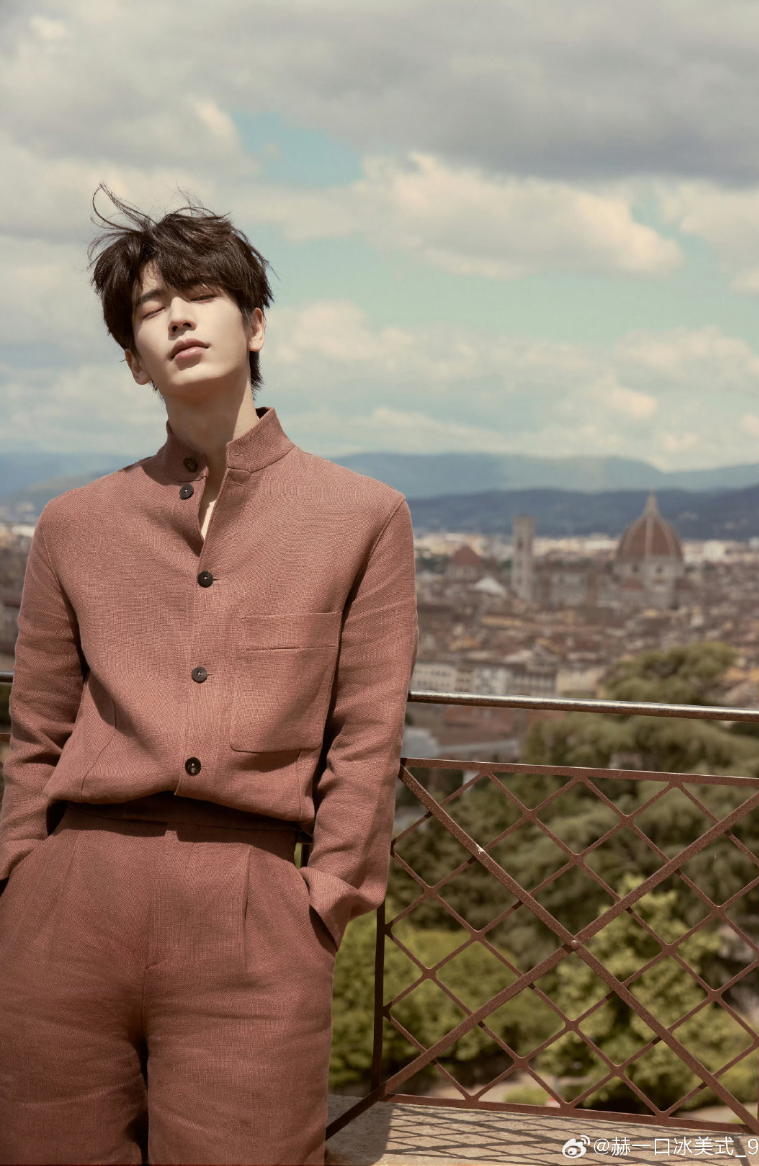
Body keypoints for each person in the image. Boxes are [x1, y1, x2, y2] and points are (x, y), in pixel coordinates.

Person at [0, 188, 418, 1165]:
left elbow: (367, 739)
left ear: (254, 321)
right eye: (151, 308)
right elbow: (36, 728)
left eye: (199, 295)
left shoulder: (362, 516)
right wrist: (21, 871)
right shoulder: (74, 524)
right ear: (133, 358)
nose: (177, 318)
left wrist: (321, 903)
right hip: (68, 900)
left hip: (255, 910)